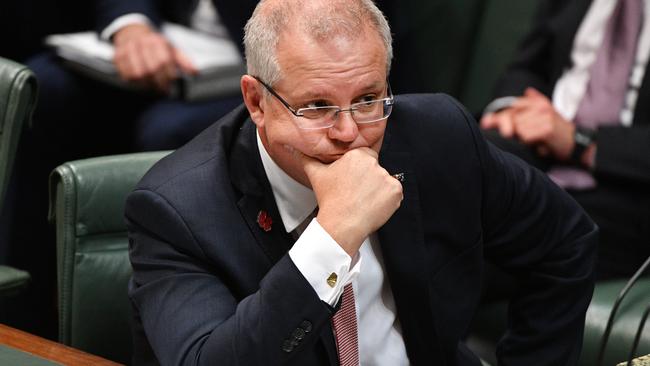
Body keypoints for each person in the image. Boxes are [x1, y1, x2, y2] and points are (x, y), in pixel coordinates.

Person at [125, 0, 598, 364]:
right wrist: (331, 238)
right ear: (256, 102)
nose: (349, 133)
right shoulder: (177, 211)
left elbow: (565, 243)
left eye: (369, 98)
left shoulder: (437, 135)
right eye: (316, 106)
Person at [480, 0, 650, 280]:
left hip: (625, 183)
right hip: (540, 143)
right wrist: (509, 109)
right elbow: (530, 64)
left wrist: (580, 142)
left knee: (496, 233)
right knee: (457, 162)